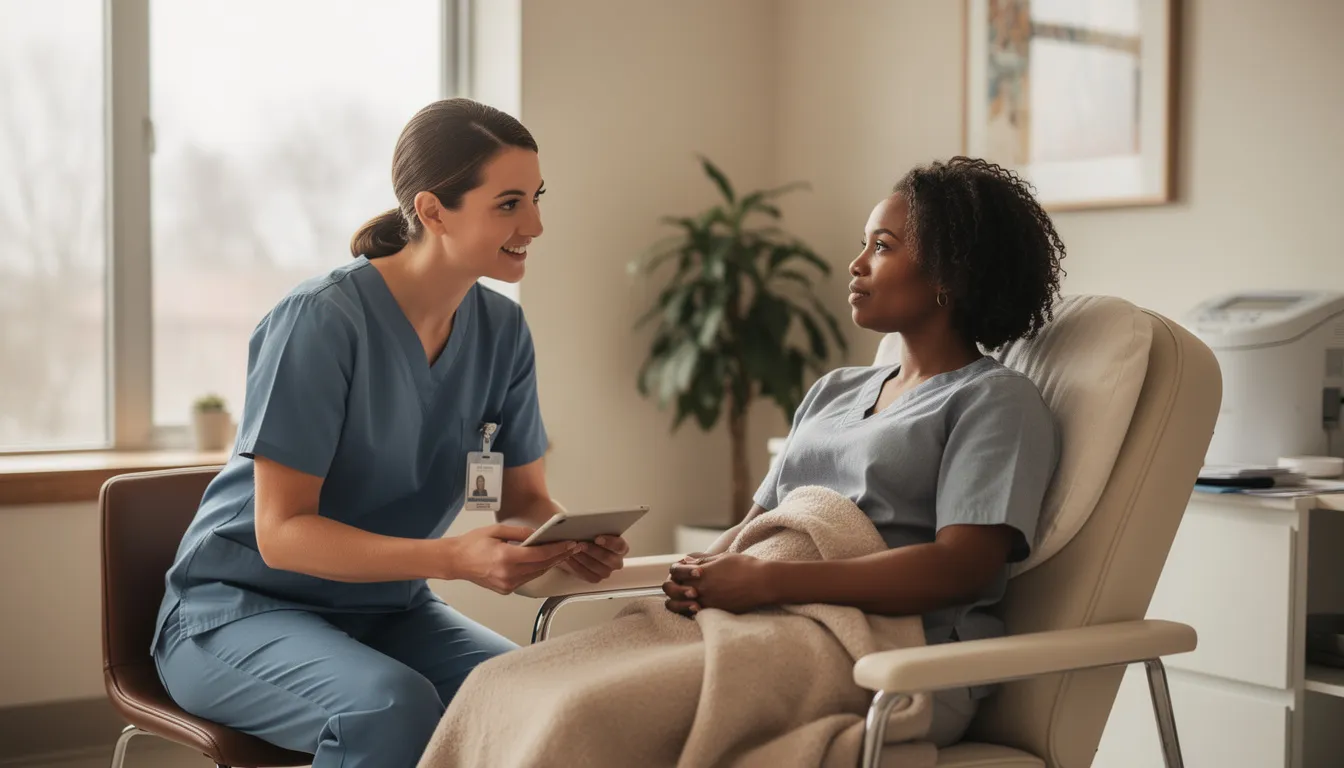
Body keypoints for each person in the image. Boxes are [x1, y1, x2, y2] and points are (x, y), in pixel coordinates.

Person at [150, 98, 629, 768]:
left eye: (537, 198)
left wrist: (566, 541)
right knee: (388, 707)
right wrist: (454, 559)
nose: (537, 224)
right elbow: (280, 532)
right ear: (433, 212)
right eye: (510, 203)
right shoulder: (321, 321)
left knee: (540, 695)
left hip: (388, 611)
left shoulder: (503, 332)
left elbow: (524, 501)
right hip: (236, 613)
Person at [662, 157, 1064, 747]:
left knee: (605, 713)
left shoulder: (995, 402)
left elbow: (962, 567)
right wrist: (703, 576)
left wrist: (770, 583)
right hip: (766, 626)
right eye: (864, 244)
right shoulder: (835, 389)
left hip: (894, 659)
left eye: (882, 246)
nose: (855, 264)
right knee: (543, 685)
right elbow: (759, 525)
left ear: (947, 275)